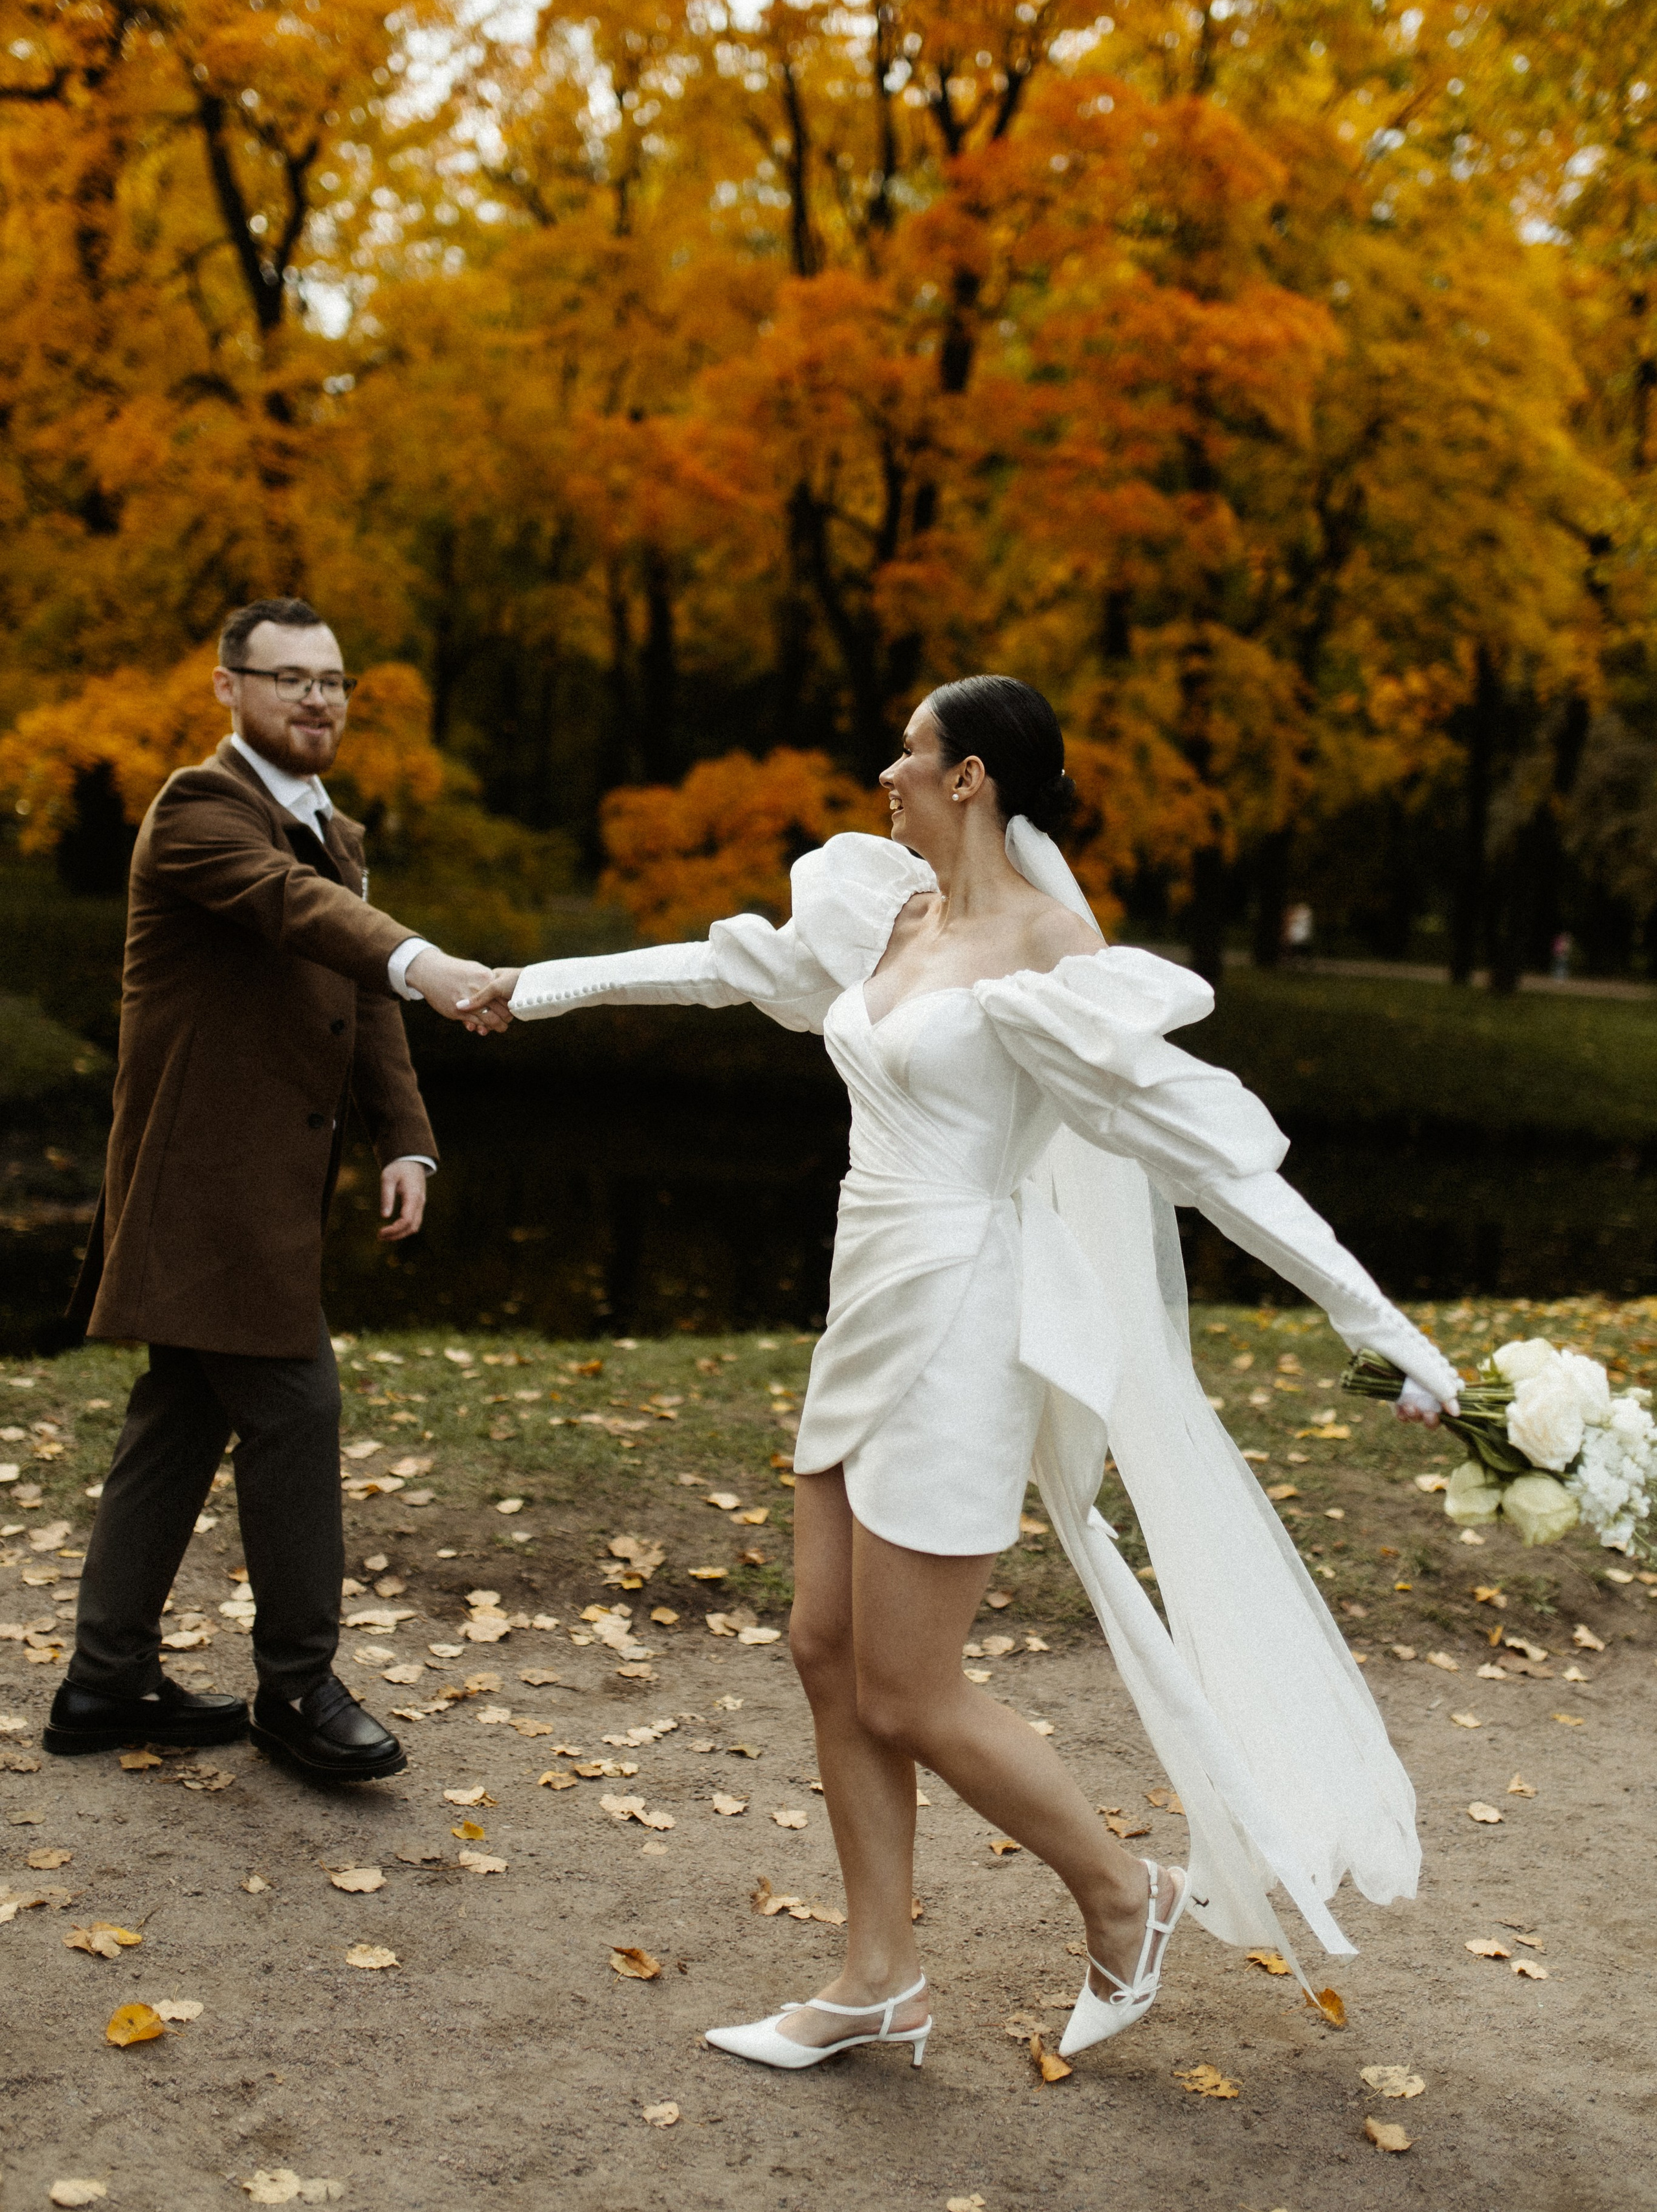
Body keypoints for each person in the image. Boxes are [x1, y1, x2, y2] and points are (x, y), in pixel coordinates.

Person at [457, 676, 1461, 2068]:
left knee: (909, 1689)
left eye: (909, 753)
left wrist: (1383, 1329)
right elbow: (722, 964)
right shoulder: (886, 909)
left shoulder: (1053, 957)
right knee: (824, 1645)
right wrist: (535, 985)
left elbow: (1216, 1162)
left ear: (971, 775)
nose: (886, 771)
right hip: (863, 1295)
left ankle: (1128, 1895)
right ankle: (879, 1977)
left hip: (965, 1315)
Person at [47, 598, 489, 1782]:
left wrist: (406, 1136)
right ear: (227, 688)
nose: (317, 698)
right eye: (288, 677)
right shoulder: (200, 812)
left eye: (333, 679)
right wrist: (427, 957)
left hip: (263, 1186)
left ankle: (106, 1676)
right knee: (294, 1408)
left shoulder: (331, 827)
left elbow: (355, 994)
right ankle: (298, 1687)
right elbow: (307, 917)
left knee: (181, 1412)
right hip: (205, 1188)